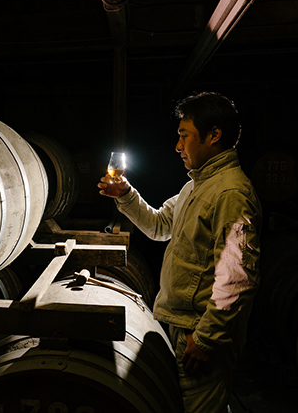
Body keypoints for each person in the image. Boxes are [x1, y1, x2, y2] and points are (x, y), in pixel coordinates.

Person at [98, 92, 261, 413]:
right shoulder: (196, 186)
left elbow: (238, 277)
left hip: (197, 333)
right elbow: (159, 226)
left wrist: (206, 340)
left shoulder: (230, 193)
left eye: (184, 136)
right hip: (180, 326)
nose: (177, 146)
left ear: (214, 135)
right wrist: (125, 194)